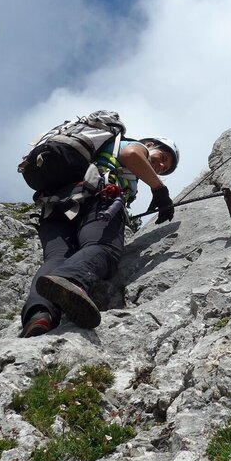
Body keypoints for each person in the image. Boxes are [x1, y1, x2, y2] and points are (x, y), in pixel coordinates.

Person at [18, 116, 180, 338]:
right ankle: (71, 280)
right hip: (96, 199)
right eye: (163, 158)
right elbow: (132, 155)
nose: (161, 166)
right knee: (104, 249)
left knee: (56, 259)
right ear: (150, 145)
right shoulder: (133, 145)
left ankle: (40, 315)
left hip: (53, 206)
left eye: (165, 168)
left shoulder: (101, 152)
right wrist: (159, 189)